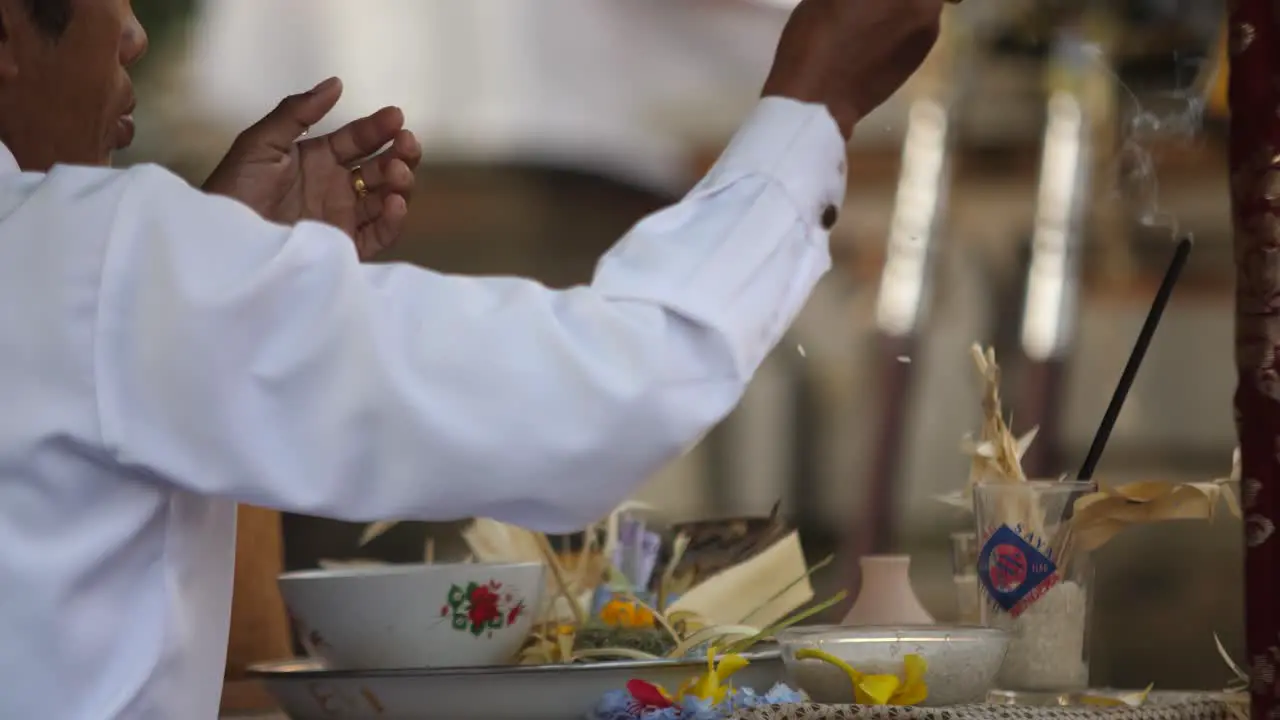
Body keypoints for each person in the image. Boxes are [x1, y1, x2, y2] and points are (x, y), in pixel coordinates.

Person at [0, 0, 944, 717]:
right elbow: (613, 390)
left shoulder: (87, 267)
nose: (132, 29)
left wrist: (222, 261)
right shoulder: (83, 257)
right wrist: (813, 102)